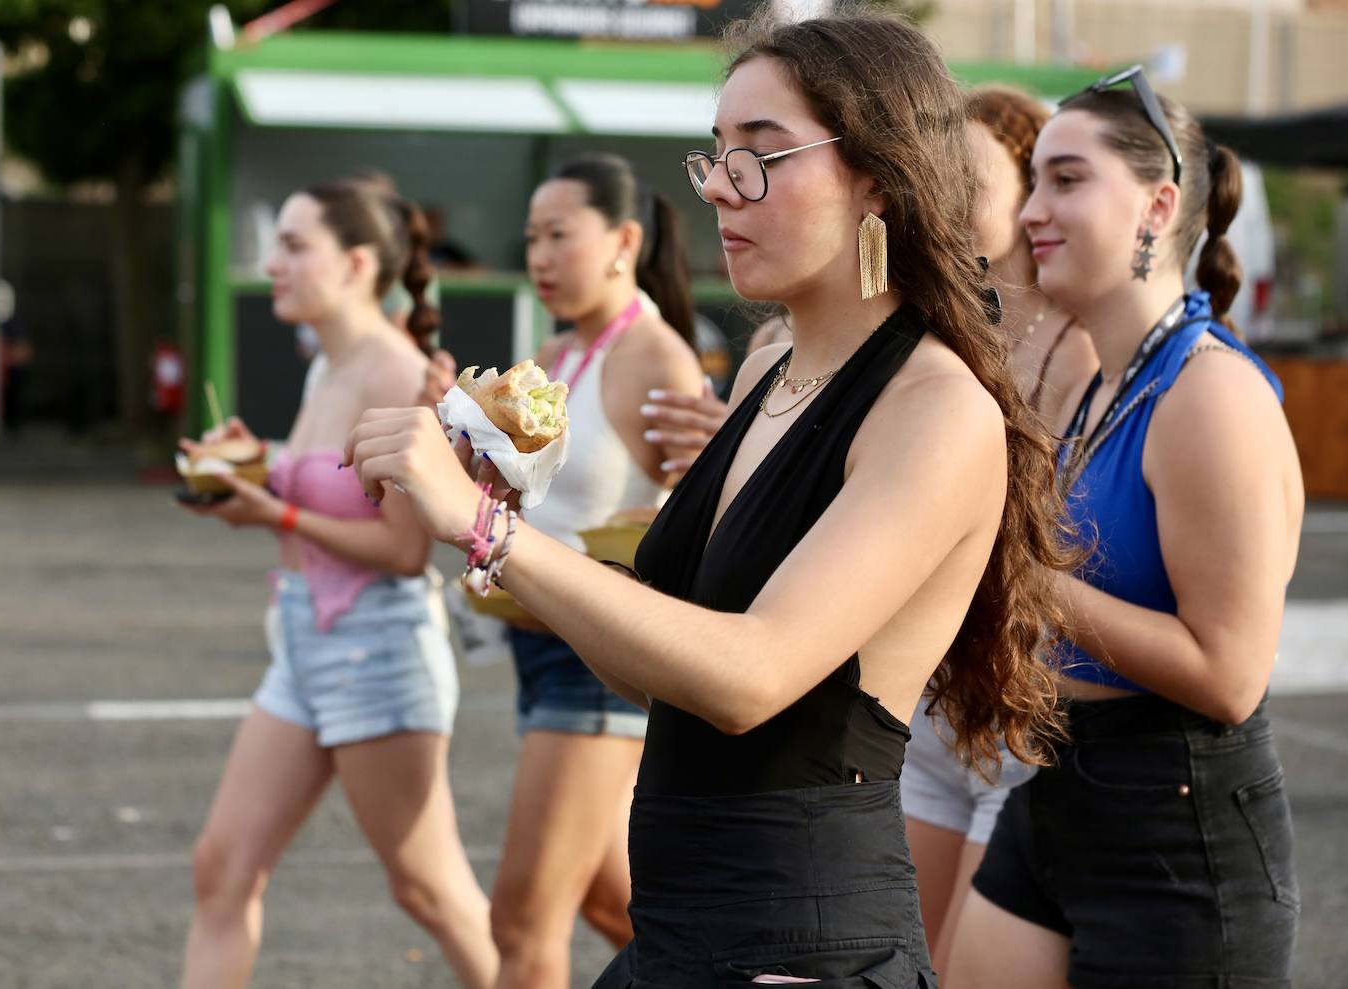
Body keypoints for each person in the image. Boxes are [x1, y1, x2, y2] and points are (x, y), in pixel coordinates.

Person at [345, 13, 1074, 987]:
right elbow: (665, 678)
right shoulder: (772, 374)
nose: (723, 186)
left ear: (877, 177)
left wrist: (488, 530)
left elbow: (752, 675)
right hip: (685, 933)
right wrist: (494, 522)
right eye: (718, 153)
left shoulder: (935, 407)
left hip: (799, 945)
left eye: (763, 155)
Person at [949, 68, 1303, 989]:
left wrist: (1022, 577)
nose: (1032, 210)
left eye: (1067, 179)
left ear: (1159, 204)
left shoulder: (1208, 392)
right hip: (1062, 786)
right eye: (1034, 182)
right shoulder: (1104, 378)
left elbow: (1230, 676)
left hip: (1177, 831)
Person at [178, 179, 496, 989]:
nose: (270, 262)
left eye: (292, 245)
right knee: (221, 867)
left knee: (429, 890)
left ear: (357, 263)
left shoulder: (397, 373)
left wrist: (272, 516)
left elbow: (399, 551)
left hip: (377, 650)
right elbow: (325, 477)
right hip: (302, 643)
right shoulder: (328, 363)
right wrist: (263, 465)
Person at [488, 153, 705, 989]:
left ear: (622, 240)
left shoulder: (657, 356)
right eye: (531, 236)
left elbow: (697, 530)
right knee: (617, 906)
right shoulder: (555, 350)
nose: (539, 255)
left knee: (521, 918)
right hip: (536, 642)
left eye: (558, 234)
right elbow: (534, 495)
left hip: (598, 665)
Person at [898, 85, 1098, 982]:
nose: (945, 199)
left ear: (1029, 196)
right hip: (935, 704)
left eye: (969, 177)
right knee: (908, 961)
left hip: (1022, 711)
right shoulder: (945, 336)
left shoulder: (1083, 351)